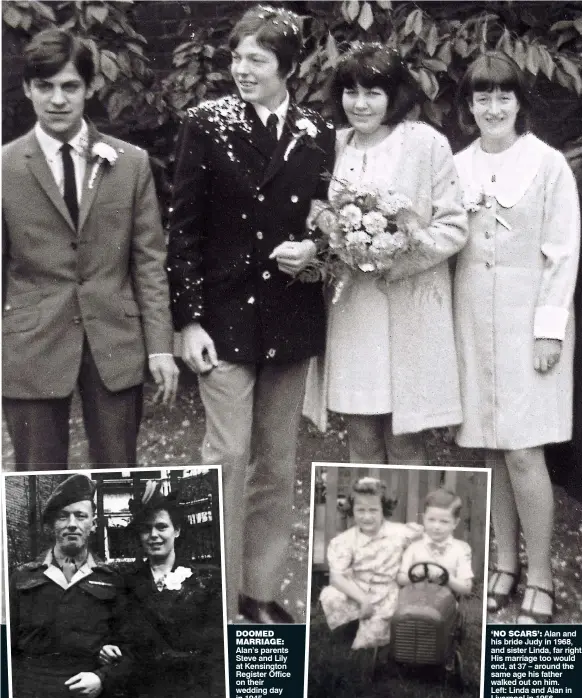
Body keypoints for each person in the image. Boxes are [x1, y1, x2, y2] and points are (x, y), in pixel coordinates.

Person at [167, 5, 335, 623]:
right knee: (226, 457)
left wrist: (316, 249)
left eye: (256, 60)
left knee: (276, 461)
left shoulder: (318, 131)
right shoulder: (205, 123)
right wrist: (188, 320)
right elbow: (182, 229)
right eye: (237, 58)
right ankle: (212, 595)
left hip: (290, 318)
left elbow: (328, 220)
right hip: (224, 318)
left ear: (287, 67)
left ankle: (258, 592)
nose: (242, 69)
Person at [2, 28, 178, 471]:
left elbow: (149, 262)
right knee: (37, 483)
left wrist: (159, 347)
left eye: (70, 86)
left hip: (114, 342)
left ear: (90, 88)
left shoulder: (130, 163)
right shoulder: (4, 167)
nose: (57, 100)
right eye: (45, 86)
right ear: (27, 88)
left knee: (119, 477)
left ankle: (114, 544)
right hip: (31, 344)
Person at [453, 51, 580, 624]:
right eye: (483, 97)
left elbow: (562, 254)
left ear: (520, 103)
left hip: (531, 325)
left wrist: (548, 330)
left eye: (504, 96)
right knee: (489, 449)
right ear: (470, 105)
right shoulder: (455, 166)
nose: (493, 107)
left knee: (526, 452)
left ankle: (541, 575)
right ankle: (504, 564)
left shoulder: (548, 165)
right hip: (472, 322)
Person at [306, 42, 467, 464]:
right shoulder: (333, 144)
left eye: (373, 93)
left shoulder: (426, 143)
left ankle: (408, 530)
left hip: (409, 307)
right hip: (354, 308)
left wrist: (399, 256)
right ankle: (370, 530)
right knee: (360, 433)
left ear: (394, 95)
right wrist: (333, 231)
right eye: (351, 92)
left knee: (405, 438)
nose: (360, 104)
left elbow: (453, 225)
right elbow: (314, 206)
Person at [8, 474, 129, 698]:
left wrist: (103, 677)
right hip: (32, 696)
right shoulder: (22, 577)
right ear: (53, 525)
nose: (72, 524)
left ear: (93, 524)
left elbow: (129, 646)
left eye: (81, 516)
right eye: (63, 516)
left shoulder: (113, 580)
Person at [98, 482, 225, 698]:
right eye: (146, 529)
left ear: (176, 530)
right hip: (140, 691)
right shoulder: (126, 582)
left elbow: (216, 650)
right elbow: (116, 633)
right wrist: (106, 647)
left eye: (161, 527)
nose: (153, 535)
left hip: (190, 691)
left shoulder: (206, 580)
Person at [319, 476, 422, 650]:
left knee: (366, 645)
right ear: (352, 510)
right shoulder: (345, 540)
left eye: (373, 510)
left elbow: (427, 538)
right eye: (361, 510)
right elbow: (336, 578)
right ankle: (350, 625)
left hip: (386, 593)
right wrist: (363, 599)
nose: (367, 517)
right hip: (358, 590)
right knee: (331, 595)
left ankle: (371, 629)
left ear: (384, 509)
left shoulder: (400, 533)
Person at [398, 488, 473, 596]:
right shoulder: (414, 547)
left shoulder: (459, 550)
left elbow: (467, 587)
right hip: (414, 598)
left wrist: (447, 578)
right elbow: (401, 578)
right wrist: (415, 576)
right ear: (424, 518)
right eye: (431, 520)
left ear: (455, 523)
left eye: (444, 522)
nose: (436, 526)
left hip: (444, 602)